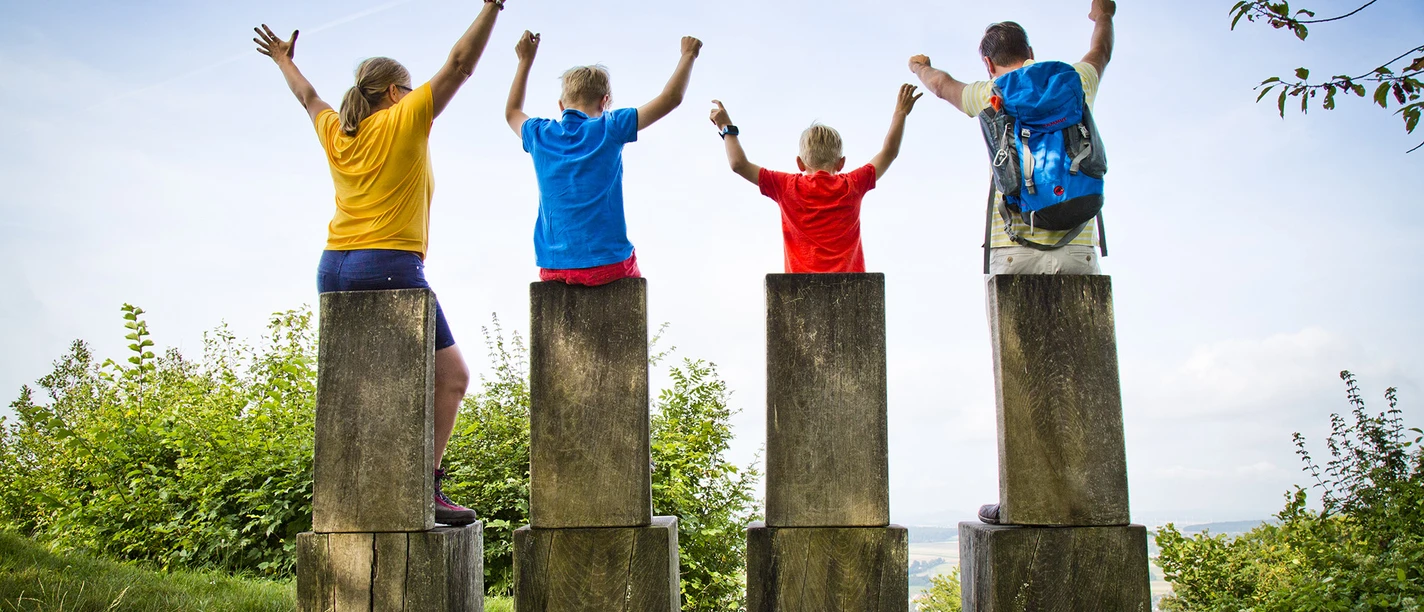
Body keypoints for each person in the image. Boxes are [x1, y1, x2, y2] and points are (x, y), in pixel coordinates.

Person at [253, 0, 509, 526]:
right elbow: (461, 63)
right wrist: (492, 7)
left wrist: (283, 59)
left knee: (366, 388)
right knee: (453, 377)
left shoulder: (337, 132)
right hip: (388, 264)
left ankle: (356, 491)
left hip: (333, 268)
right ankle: (426, 490)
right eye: (409, 89)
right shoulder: (403, 119)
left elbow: (309, 97)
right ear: (394, 93)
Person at [909, 0, 1116, 277]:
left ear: (988, 63)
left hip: (1013, 247)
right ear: (1030, 51)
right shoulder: (1074, 81)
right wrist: (1103, 15)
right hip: (1077, 244)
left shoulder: (988, 94)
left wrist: (919, 67)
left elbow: (941, 86)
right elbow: (1101, 52)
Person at [504, 31, 703, 285]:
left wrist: (525, 61)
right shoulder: (611, 126)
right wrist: (688, 55)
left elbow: (512, 112)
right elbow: (670, 99)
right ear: (605, 102)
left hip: (552, 268)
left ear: (561, 106)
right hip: (607, 264)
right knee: (633, 280)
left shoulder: (539, 134)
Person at [707, 85, 923, 273]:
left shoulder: (785, 186)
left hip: (801, 292)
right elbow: (889, 152)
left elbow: (739, 165)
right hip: (849, 290)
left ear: (800, 163)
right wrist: (900, 112)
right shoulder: (853, 184)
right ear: (841, 163)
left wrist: (727, 128)